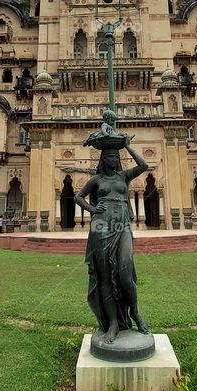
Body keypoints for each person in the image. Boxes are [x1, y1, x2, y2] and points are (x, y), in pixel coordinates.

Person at [74, 135, 150, 343]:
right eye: (110, 157)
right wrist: (92, 209)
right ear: (103, 160)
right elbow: (77, 196)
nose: (114, 160)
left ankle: (134, 313)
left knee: (126, 274)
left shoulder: (124, 177)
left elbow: (144, 165)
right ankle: (113, 324)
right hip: (101, 226)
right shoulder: (97, 180)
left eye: (116, 157)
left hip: (122, 225)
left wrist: (128, 147)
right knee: (106, 277)